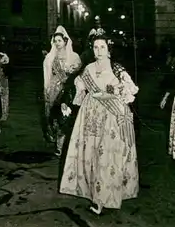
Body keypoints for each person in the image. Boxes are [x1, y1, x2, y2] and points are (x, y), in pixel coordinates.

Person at [60, 28, 139, 215]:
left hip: (111, 118)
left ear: (109, 49)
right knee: (92, 155)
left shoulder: (118, 69)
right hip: (89, 116)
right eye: (95, 47)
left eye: (102, 47)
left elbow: (131, 91)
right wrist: (67, 105)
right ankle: (94, 194)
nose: (98, 51)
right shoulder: (88, 68)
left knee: (107, 157)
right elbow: (77, 88)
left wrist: (118, 93)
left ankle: (103, 198)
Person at [43, 25, 81, 157]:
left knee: (65, 117)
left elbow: (78, 75)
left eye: (59, 40)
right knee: (54, 117)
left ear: (65, 41)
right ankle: (57, 143)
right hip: (54, 89)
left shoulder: (74, 56)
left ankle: (63, 145)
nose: (57, 43)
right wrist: (47, 88)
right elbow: (47, 74)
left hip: (68, 91)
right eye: (55, 41)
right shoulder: (50, 57)